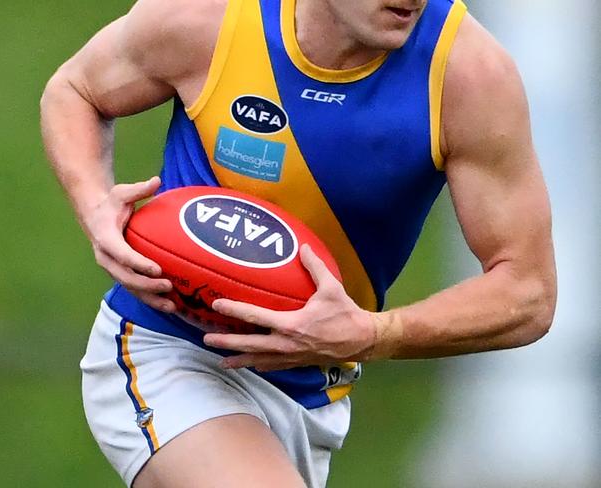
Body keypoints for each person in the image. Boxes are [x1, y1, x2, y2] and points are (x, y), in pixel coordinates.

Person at [40, 0, 557, 486]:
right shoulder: (209, 17)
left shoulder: (468, 74)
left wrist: (376, 334)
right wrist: (95, 210)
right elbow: (75, 89)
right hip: (166, 350)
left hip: (315, 389)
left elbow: (528, 291)